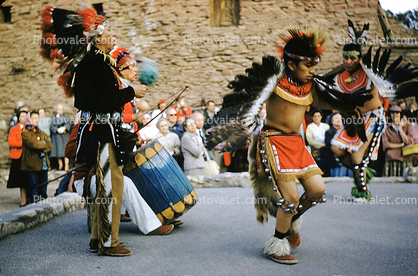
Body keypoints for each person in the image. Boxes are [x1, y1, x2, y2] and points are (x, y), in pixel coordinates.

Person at [245, 28, 371, 264]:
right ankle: (277, 244)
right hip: (274, 141)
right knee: (291, 199)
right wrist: (239, 124)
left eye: (315, 65)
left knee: (316, 191)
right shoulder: (275, 82)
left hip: (296, 143)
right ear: (291, 66)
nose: (313, 70)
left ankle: (291, 221)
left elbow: (334, 102)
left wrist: (350, 104)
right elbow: (249, 98)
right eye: (308, 66)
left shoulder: (310, 87)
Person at [41, 6, 148, 256]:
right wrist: (132, 92)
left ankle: (97, 238)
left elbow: (102, 98)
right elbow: (104, 100)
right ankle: (109, 242)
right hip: (101, 133)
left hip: (100, 131)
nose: (113, 34)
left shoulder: (97, 63)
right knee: (112, 186)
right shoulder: (95, 63)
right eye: (109, 30)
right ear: (97, 37)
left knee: (105, 186)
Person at [331, 42, 385, 200]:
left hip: (373, 118)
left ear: (360, 59)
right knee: (336, 148)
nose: (348, 61)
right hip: (353, 120)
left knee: (356, 156)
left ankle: (362, 189)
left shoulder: (369, 76)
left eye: (352, 58)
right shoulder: (339, 78)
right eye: (345, 57)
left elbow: (375, 101)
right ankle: (362, 170)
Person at [21, 110, 52, 204]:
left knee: (43, 190)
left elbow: (49, 145)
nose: (36, 120)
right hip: (32, 166)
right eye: (34, 118)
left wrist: (41, 145)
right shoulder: (25, 133)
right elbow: (33, 145)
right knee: (33, 190)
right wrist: (43, 144)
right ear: (29, 119)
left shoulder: (41, 132)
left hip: (43, 166)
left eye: (37, 118)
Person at [110, 46, 142, 133]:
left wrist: (137, 133)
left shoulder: (130, 89)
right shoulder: (118, 90)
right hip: (117, 134)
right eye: (132, 66)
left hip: (129, 135)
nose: (136, 70)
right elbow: (112, 116)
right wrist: (133, 117)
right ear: (122, 71)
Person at [381, 105, 413, 176]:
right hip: (391, 159)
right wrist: (401, 145)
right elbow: (386, 145)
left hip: (405, 159)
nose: (395, 115)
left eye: (397, 113)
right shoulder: (386, 128)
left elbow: (408, 142)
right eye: (392, 113)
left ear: (400, 115)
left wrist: (400, 129)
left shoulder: (408, 125)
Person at [7, 108, 28, 207]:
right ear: (19, 118)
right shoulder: (14, 129)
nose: (24, 118)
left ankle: (30, 198)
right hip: (18, 157)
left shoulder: (29, 128)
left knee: (28, 178)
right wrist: (23, 143)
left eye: (25, 116)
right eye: (22, 116)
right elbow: (11, 142)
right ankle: (23, 200)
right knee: (21, 180)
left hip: (27, 156)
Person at [324, 112, 353, 177]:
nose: (339, 120)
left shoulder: (347, 131)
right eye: (336, 118)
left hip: (347, 160)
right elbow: (329, 147)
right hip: (334, 161)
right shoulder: (329, 132)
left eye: (340, 118)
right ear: (332, 121)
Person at [50, 104, 71, 171]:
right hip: (57, 137)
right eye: (59, 109)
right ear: (56, 110)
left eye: (61, 109)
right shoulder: (53, 118)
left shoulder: (66, 117)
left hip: (65, 137)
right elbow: (51, 126)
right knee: (58, 151)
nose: (60, 110)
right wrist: (57, 130)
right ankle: (60, 165)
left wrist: (64, 128)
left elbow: (68, 124)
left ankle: (66, 166)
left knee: (66, 151)